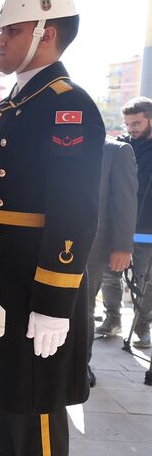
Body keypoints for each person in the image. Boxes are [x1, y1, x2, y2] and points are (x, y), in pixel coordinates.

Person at [0, 0, 104, 456]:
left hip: (37, 289)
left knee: (34, 412)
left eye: (10, 31)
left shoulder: (66, 106)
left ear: (47, 32)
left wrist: (55, 303)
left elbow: (74, 209)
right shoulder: (14, 107)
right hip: (5, 284)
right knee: (8, 401)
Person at [85, 137, 136, 387]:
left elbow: (125, 202)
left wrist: (122, 247)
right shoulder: (53, 143)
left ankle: (81, 365)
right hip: (50, 243)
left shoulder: (116, 151)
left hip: (94, 247)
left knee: (83, 309)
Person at [119, 97, 152, 349]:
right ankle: (112, 318)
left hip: (147, 228)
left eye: (137, 123)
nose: (132, 128)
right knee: (111, 276)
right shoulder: (122, 147)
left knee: (144, 279)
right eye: (128, 124)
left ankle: (142, 326)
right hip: (120, 223)